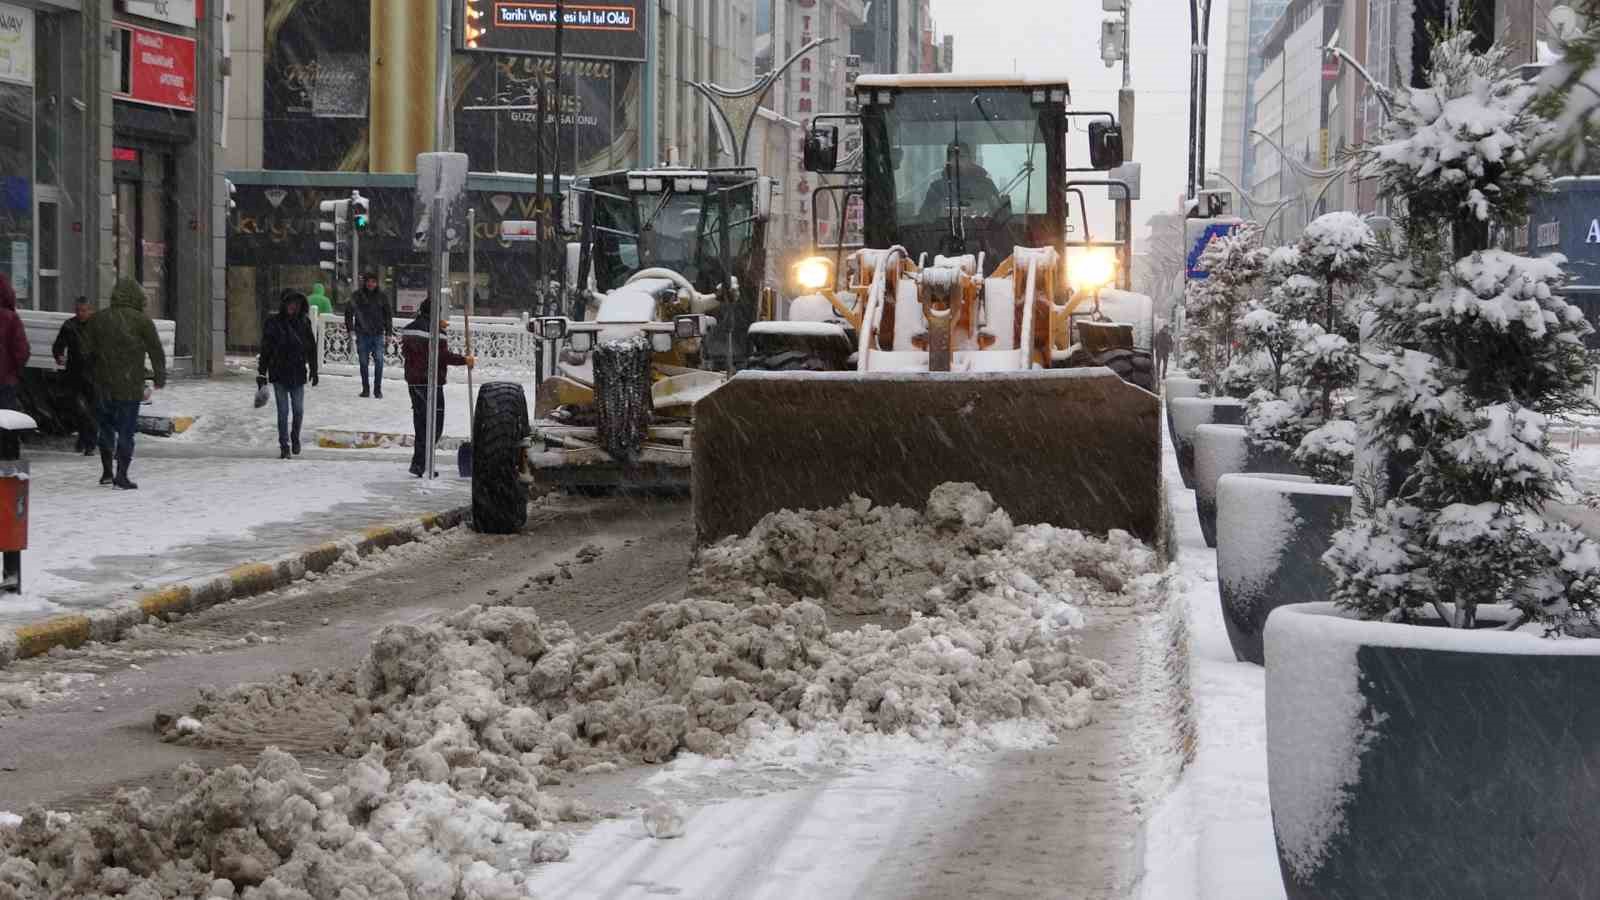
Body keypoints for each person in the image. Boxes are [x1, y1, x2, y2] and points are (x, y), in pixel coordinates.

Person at [87, 278, 165, 490]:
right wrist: (159, 376)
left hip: (103, 385)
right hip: (129, 386)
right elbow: (156, 350)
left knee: (105, 428)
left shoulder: (98, 319)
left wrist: (93, 375)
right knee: (126, 432)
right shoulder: (141, 321)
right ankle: (121, 476)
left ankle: (106, 472)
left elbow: (86, 351)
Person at [400, 299, 474, 477]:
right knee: (434, 426)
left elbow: (408, 351)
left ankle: (419, 465)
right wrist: (465, 360)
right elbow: (442, 357)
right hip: (431, 383)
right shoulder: (437, 333)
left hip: (414, 382)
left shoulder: (409, 328)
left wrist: (433, 327)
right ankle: (423, 464)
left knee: (421, 423)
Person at [258, 290, 319, 459]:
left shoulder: (304, 323)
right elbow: (266, 349)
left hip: (298, 373)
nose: (293, 306)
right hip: (279, 373)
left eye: (296, 303)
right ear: (284, 305)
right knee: (283, 412)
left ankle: (295, 436)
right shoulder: (273, 323)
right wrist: (261, 374)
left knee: (298, 410)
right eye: (290, 303)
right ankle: (284, 445)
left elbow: (311, 348)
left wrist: (314, 370)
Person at [52, 296, 97, 454]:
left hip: (93, 374)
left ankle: (89, 443)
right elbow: (58, 345)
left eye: (84, 310)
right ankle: (83, 438)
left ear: (91, 311)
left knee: (91, 409)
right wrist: (59, 356)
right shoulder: (69, 325)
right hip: (75, 373)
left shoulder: (97, 326)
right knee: (78, 409)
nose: (81, 313)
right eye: (78, 310)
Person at [920, 141, 1004, 219]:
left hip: (985, 233)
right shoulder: (937, 188)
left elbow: (1001, 216)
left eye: (961, 157)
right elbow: (925, 218)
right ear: (948, 161)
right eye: (953, 157)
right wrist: (941, 209)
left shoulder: (986, 186)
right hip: (945, 233)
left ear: (969, 160)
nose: (957, 161)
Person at [346, 271, 392, 398]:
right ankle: (365, 389)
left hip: (378, 334)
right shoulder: (357, 296)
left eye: (373, 281)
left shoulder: (382, 296)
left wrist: (389, 332)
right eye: (368, 281)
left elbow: (388, 315)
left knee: (379, 361)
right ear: (364, 282)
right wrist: (350, 329)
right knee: (363, 362)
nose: (371, 284)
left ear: (376, 283)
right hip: (362, 334)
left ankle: (377, 389)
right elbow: (348, 313)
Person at [0, 275, 30, 412]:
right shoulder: (11, 318)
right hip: (5, 379)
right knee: (6, 419)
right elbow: (21, 351)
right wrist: (15, 371)